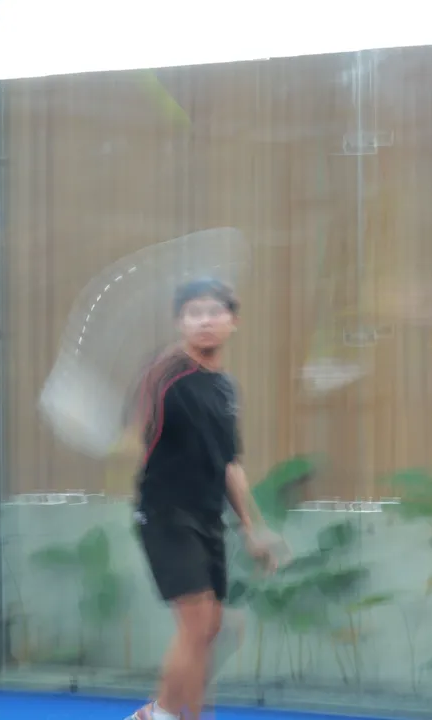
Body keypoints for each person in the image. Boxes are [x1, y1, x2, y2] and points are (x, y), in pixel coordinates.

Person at [125, 278, 280, 720]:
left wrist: (252, 529)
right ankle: (166, 716)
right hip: (165, 514)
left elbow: (229, 464)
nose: (205, 321)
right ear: (180, 322)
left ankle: (173, 716)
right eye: (194, 313)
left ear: (233, 321)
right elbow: (140, 419)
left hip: (207, 517)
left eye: (214, 311)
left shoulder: (226, 388)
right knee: (198, 624)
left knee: (211, 628)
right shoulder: (165, 375)